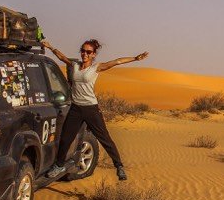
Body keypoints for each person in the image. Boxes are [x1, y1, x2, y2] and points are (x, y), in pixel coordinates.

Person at [41, 38, 148, 181]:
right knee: (66, 138)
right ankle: (59, 165)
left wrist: (135, 58)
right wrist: (50, 47)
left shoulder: (96, 67)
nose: (85, 54)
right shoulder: (74, 65)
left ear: (93, 54)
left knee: (104, 138)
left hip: (91, 109)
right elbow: (62, 57)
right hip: (76, 108)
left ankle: (119, 166)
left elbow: (116, 61)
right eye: (83, 51)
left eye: (88, 52)